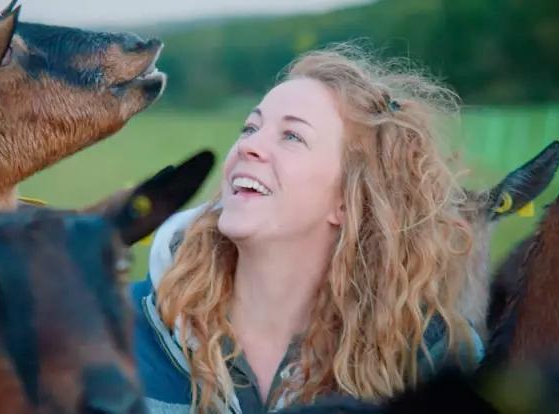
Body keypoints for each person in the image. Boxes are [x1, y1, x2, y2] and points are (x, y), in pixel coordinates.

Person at [130, 43, 484, 414]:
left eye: (292, 136)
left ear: (348, 200)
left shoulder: (435, 360)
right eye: (250, 127)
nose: (250, 146)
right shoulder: (114, 328)